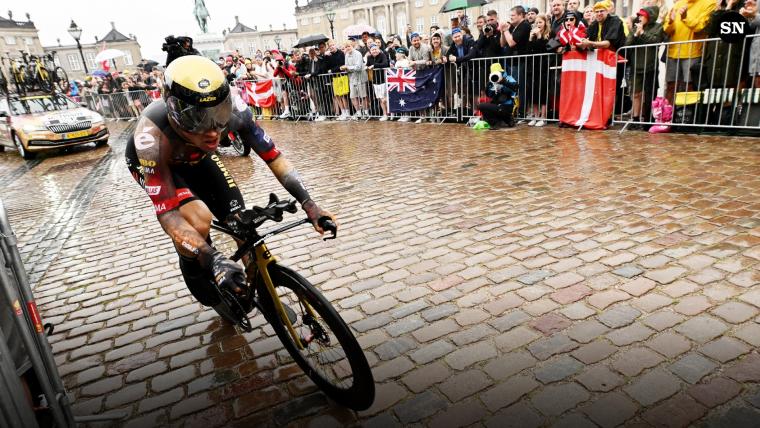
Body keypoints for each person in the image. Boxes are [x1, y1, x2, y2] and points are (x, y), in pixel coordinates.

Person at [125, 55, 335, 314]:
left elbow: (274, 157)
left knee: (238, 219)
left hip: (198, 157)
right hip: (162, 166)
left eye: (218, 114)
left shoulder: (236, 109)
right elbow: (167, 214)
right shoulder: (150, 137)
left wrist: (310, 204)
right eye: (198, 119)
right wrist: (210, 258)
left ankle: (259, 288)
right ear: (173, 109)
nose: (213, 131)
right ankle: (195, 266)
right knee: (198, 219)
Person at [661, 0, 716, 103]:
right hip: (673, 52)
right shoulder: (678, 3)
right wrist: (670, 22)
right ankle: (668, 117)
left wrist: (685, 17)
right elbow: (666, 29)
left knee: (689, 87)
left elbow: (701, 27)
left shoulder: (709, 3)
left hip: (692, 53)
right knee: (671, 86)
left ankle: (687, 116)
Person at [626, 7, 665, 126]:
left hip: (650, 66)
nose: (640, 18)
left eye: (642, 15)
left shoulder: (658, 27)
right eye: (639, 15)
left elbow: (655, 41)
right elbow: (627, 43)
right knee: (636, 93)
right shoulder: (635, 26)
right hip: (636, 65)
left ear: (649, 16)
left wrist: (642, 33)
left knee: (649, 94)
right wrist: (635, 34)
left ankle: (648, 120)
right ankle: (635, 119)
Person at [526, 14, 552, 126]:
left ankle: (543, 117)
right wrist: (531, 39)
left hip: (544, 67)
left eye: (540, 22)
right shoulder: (533, 35)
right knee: (534, 92)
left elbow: (545, 48)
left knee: (543, 92)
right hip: (533, 67)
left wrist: (540, 36)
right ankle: (536, 116)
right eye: (536, 23)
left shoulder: (548, 35)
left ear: (545, 23)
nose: (538, 25)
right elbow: (528, 51)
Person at [478, 63, 518, 129]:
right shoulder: (492, 81)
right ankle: (495, 122)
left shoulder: (508, 78)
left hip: (507, 105)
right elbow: (489, 95)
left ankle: (509, 119)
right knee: (481, 106)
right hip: (497, 104)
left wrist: (504, 82)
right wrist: (489, 86)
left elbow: (515, 88)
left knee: (501, 109)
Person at [340, 40, 369, 119]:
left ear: (352, 46)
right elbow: (347, 66)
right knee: (353, 96)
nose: (347, 48)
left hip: (360, 77)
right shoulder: (346, 55)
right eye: (346, 47)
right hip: (352, 78)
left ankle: (366, 112)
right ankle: (358, 112)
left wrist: (348, 68)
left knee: (363, 96)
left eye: (349, 46)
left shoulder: (358, 54)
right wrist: (344, 68)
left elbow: (358, 67)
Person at [366, 43, 390, 121]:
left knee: (384, 99)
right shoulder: (369, 57)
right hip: (375, 81)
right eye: (372, 50)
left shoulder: (382, 55)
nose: (374, 51)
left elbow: (385, 64)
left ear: (378, 49)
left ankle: (389, 113)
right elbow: (367, 65)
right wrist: (366, 67)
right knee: (380, 99)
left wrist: (374, 65)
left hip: (383, 80)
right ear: (370, 51)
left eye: (375, 49)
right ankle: (384, 114)